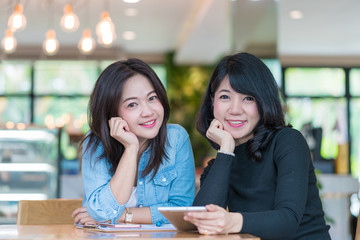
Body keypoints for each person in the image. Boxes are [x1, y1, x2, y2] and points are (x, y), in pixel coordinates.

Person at [185, 52, 331, 239]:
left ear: (263, 102)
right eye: (225, 97)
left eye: (248, 98)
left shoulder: (288, 141)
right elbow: (201, 223)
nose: (235, 109)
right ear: (212, 102)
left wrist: (231, 221)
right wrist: (226, 150)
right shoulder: (222, 162)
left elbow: (287, 221)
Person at [72, 58, 195, 225]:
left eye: (152, 98)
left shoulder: (176, 139)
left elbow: (181, 211)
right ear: (111, 113)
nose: (148, 112)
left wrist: (122, 216)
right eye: (132, 105)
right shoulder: (95, 143)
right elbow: (102, 211)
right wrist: (131, 148)